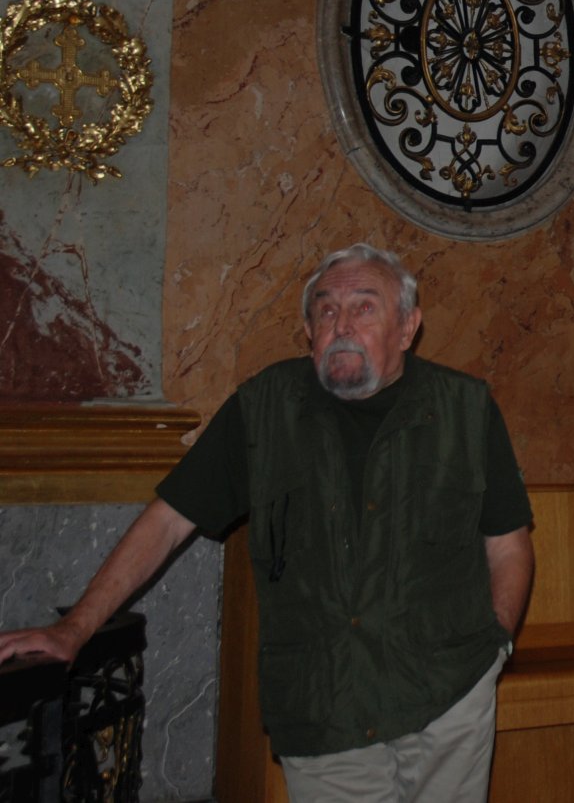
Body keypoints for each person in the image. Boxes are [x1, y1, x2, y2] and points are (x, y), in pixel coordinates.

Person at [0, 244, 534, 803]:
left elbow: (508, 545)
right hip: (322, 707)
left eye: (364, 307)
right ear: (308, 331)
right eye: (326, 310)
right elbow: (167, 521)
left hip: (448, 699)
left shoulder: (466, 409)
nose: (342, 325)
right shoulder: (263, 410)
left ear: (407, 328)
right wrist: (74, 628)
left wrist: (494, 648)